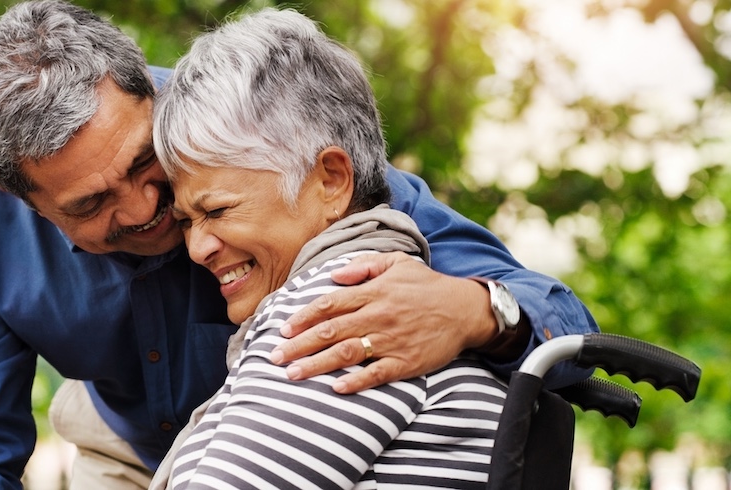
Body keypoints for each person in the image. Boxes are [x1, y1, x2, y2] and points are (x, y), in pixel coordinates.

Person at [0, 1, 597, 488]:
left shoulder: (246, 135)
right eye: (92, 204)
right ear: (19, 197)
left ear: (147, 90)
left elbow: (563, 320)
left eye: (148, 165)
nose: (149, 208)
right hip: (124, 446)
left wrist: (478, 311)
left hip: (292, 433)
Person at [150, 9, 508, 488]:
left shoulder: (341, 305)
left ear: (331, 181)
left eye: (216, 211)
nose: (197, 248)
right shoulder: (386, 286)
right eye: (186, 221)